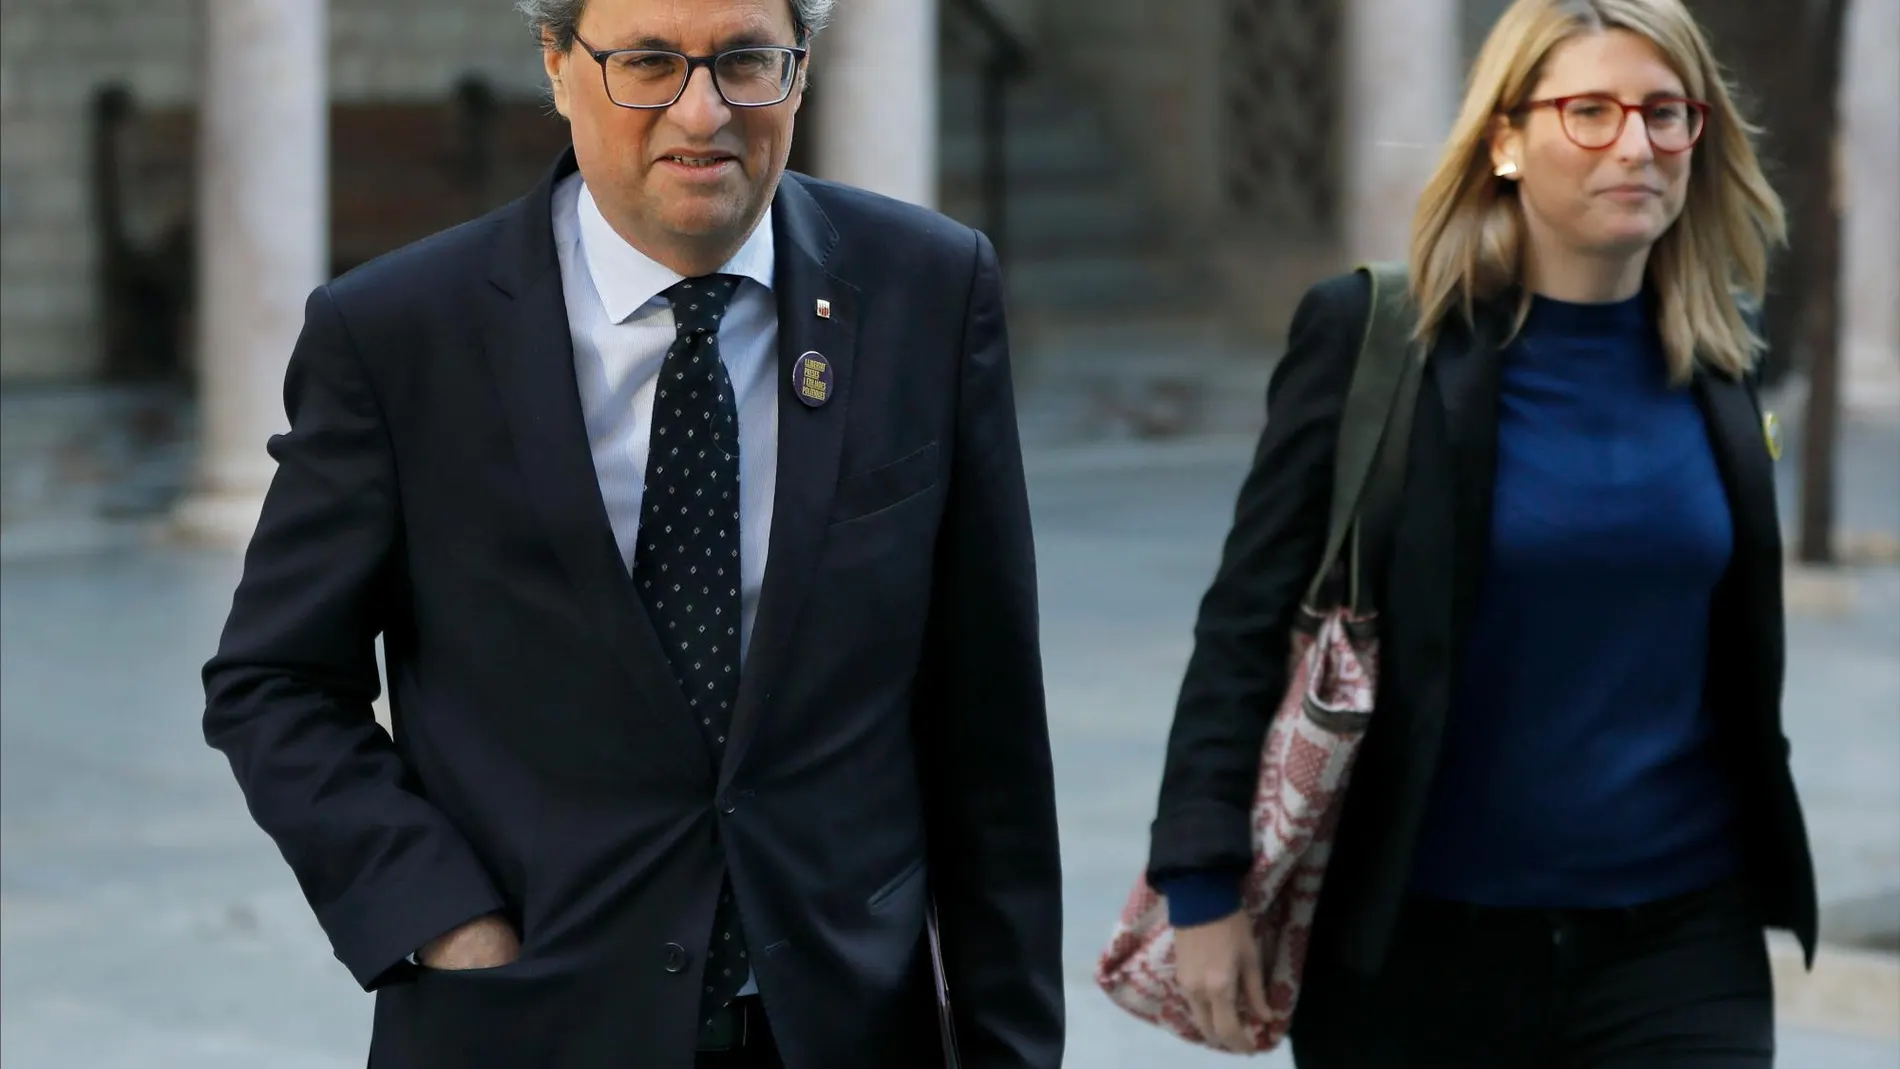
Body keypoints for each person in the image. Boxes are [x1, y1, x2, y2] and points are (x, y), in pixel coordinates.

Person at [198, 0, 1066, 1066]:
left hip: (842, 1019)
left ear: (800, 70)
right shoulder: (395, 335)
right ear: (557, 64)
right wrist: (438, 917)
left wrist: (1013, 1043)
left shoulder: (927, 289)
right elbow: (275, 680)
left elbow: (988, 721)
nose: (701, 113)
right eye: (648, 62)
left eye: (747, 60)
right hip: (529, 1020)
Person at [1144, 0, 1817, 1064]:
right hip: (1417, 953)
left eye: (1663, 112)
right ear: (1504, 139)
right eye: (1588, 110)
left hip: (1683, 945)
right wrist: (1199, 878)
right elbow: (1242, 621)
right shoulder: (1375, 342)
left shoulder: (1724, 355)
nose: (1633, 144)